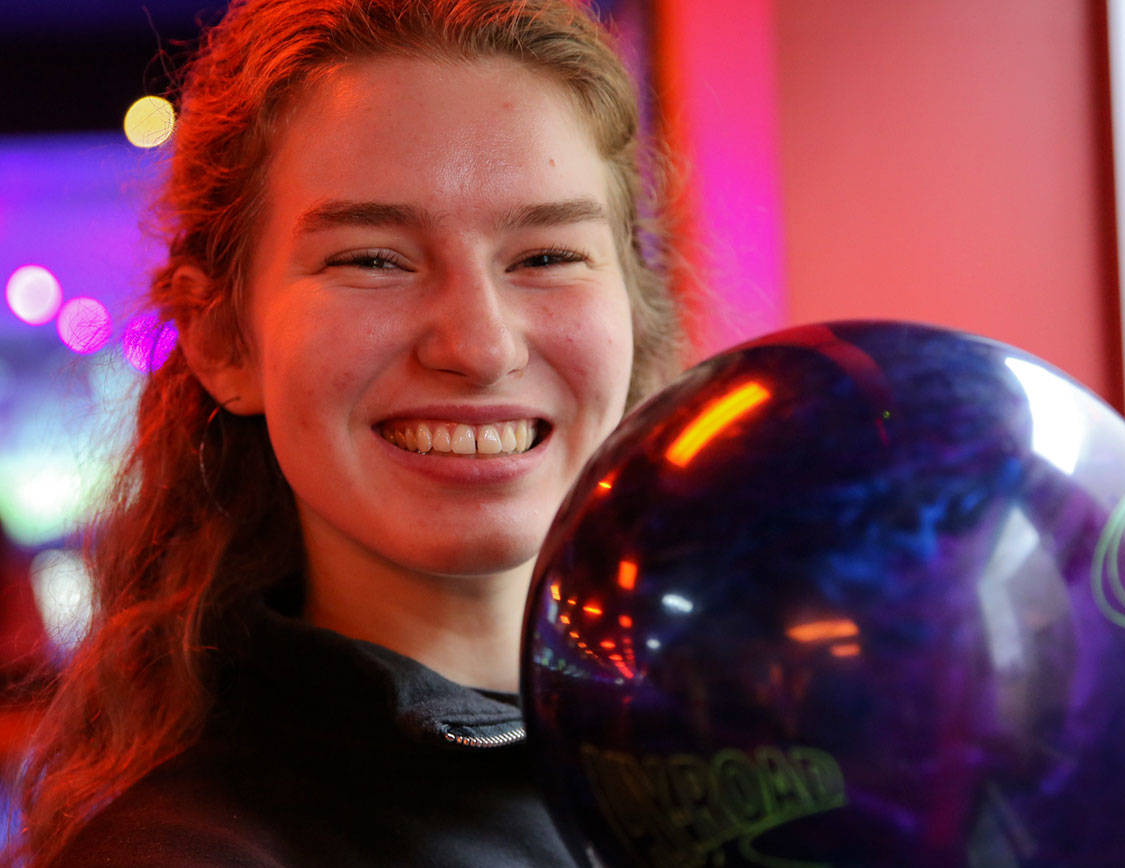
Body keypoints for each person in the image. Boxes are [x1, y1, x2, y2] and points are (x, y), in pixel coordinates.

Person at [13, 0, 685, 864]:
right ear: (222, 339)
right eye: (372, 259)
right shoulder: (185, 853)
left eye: (546, 257)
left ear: (629, 307)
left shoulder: (775, 760)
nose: (480, 347)